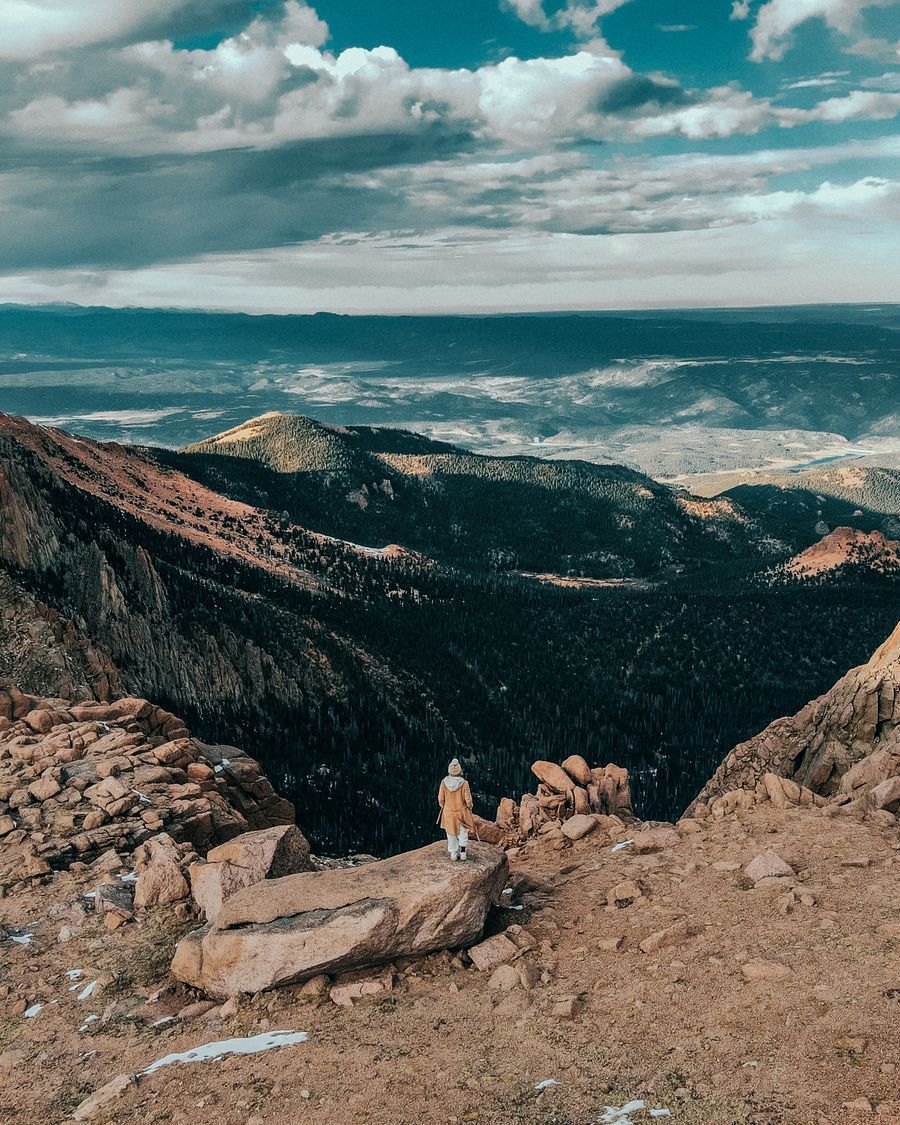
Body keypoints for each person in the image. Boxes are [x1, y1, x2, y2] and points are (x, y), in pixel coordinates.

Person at [437, 758, 474, 861]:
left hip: (448, 812)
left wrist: (442, 805)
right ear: (459, 770)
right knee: (462, 831)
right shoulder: (464, 783)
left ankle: (453, 853)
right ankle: (463, 853)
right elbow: (468, 798)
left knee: (450, 832)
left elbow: (440, 798)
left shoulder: (444, 782)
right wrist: (470, 806)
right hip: (461, 811)